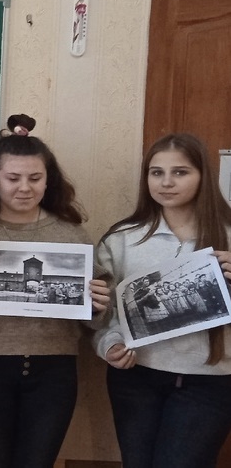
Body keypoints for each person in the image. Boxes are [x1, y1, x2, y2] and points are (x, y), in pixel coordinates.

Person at [0, 116, 111, 468]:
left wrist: (97, 305)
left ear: (48, 180)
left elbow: (98, 317)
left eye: (35, 178)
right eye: (13, 178)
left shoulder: (71, 235)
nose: (25, 188)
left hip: (54, 370)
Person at [93, 133, 231, 468]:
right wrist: (110, 344)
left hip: (210, 381)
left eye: (180, 172)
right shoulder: (121, 239)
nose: (166, 182)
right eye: (156, 173)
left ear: (203, 176)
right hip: (136, 378)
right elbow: (100, 315)